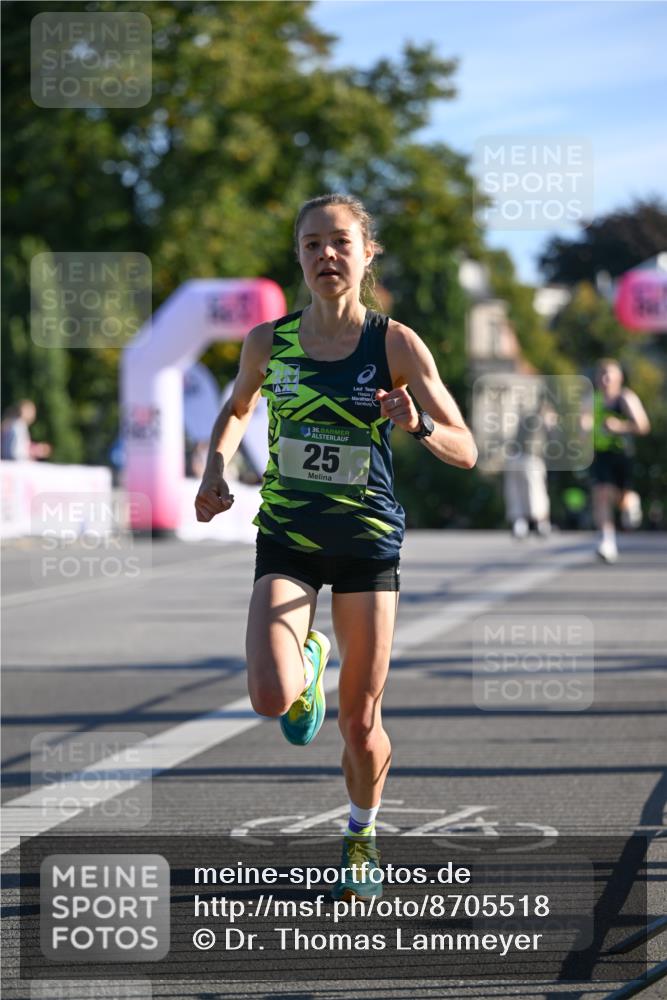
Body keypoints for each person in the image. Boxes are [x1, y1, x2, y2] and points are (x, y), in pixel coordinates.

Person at [195, 194, 477, 900]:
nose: (326, 254)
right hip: (287, 537)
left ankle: (360, 833)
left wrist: (415, 426)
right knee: (268, 697)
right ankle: (305, 660)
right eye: (312, 243)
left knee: (358, 720)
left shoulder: (395, 345)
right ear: (298, 256)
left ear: (365, 253)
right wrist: (213, 468)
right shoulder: (268, 341)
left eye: (340, 242)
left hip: (365, 542)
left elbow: (466, 450)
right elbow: (236, 410)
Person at [591, 359, 650, 563]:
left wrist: (620, 426)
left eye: (609, 374)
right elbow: (582, 422)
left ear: (619, 377)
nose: (605, 379)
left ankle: (632, 503)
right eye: (602, 375)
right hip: (600, 454)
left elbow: (643, 425)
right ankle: (607, 541)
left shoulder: (625, 398)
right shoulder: (593, 399)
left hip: (622, 455)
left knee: (622, 498)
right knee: (601, 494)